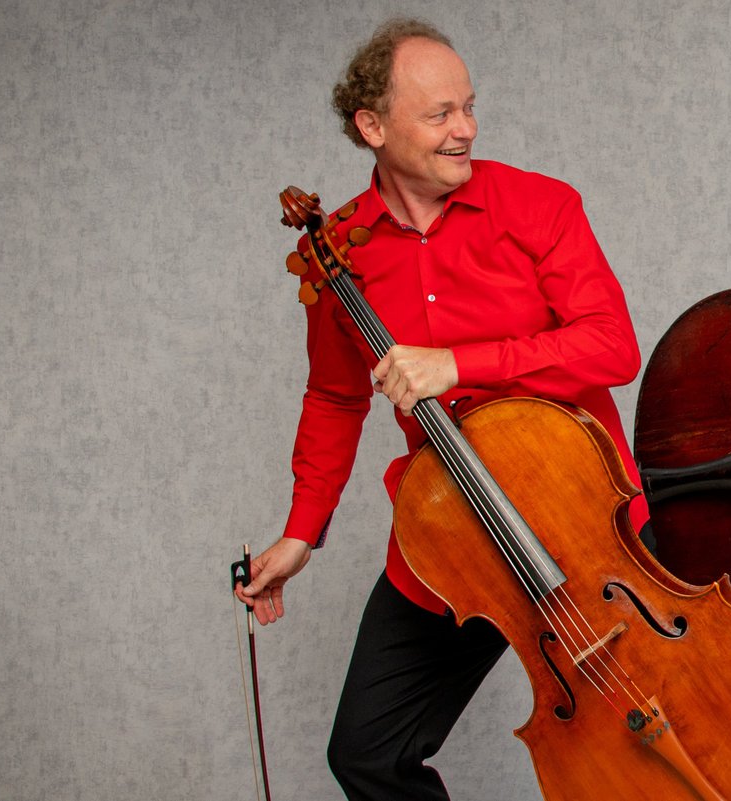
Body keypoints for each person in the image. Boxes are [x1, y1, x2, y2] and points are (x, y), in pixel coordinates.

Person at [231, 18, 647, 800]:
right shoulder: (340, 252)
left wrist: (460, 362)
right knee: (368, 753)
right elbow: (335, 395)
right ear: (373, 126)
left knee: (635, 745)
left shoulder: (540, 204)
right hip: (456, 532)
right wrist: (300, 530)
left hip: (586, 520)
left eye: (469, 107)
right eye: (439, 114)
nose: (466, 129)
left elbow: (612, 347)